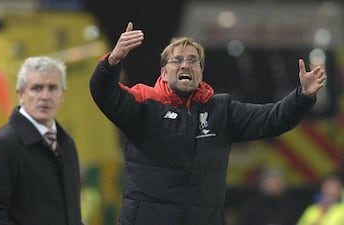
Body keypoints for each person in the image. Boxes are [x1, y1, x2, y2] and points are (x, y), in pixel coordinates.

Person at [89, 22, 327, 225]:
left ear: (201, 72)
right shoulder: (143, 102)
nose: (185, 65)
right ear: (163, 72)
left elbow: (272, 118)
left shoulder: (221, 110)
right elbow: (104, 94)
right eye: (177, 60)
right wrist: (112, 61)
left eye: (193, 60)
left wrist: (303, 97)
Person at [0, 56, 84, 225]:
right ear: (20, 94)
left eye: (52, 88)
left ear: (62, 95)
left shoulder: (66, 144)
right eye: (36, 88)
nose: (45, 96)